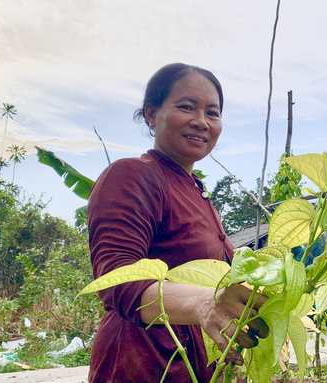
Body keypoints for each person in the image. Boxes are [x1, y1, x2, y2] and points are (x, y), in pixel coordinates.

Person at [87, 63, 267, 383]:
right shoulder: (133, 176)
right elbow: (117, 278)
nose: (201, 121)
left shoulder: (197, 191)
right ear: (151, 115)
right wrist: (202, 303)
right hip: (141, 363)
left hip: (195, 365)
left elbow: (219, 290)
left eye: (212, 113)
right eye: (186, 107)